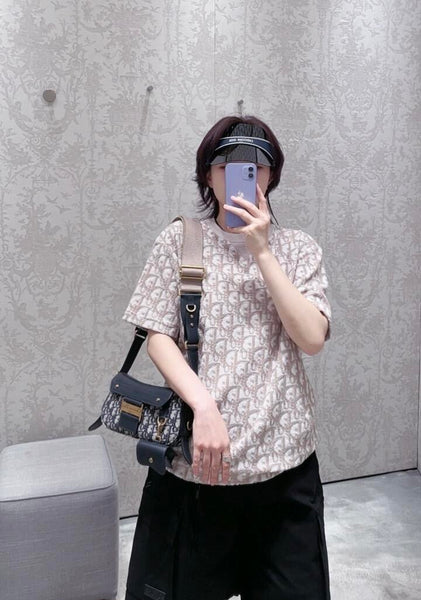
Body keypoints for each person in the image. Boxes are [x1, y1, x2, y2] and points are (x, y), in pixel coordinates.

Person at [123, 115, 332, 600]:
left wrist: (262, 251)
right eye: (228, 165)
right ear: (208, 175)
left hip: (284, 471)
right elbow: (158, 335)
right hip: (195, 470)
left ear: (271, 176)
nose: (244, 176)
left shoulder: (298, 249)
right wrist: (204, 405)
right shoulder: (180, 240)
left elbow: (311, 338)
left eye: (257, 166)